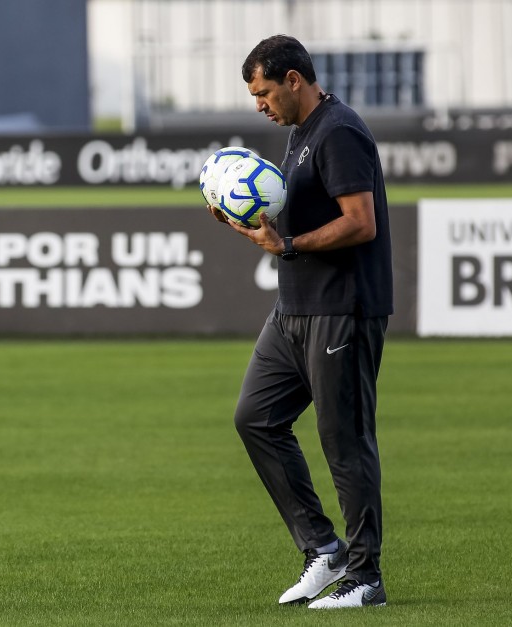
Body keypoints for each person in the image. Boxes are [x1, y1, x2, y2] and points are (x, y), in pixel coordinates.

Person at [207, 34, 393, 609]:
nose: (258, 103)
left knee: (345, 441)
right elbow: (300, 215)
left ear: (294, 80)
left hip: (342, 309)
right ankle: (324, 548)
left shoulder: (338, 131)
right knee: (255, 419)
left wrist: (285, 243)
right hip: (294, 309)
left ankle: (365, 578)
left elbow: (361, 224)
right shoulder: (300, 135)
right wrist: (247, 217)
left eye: (263, 91)